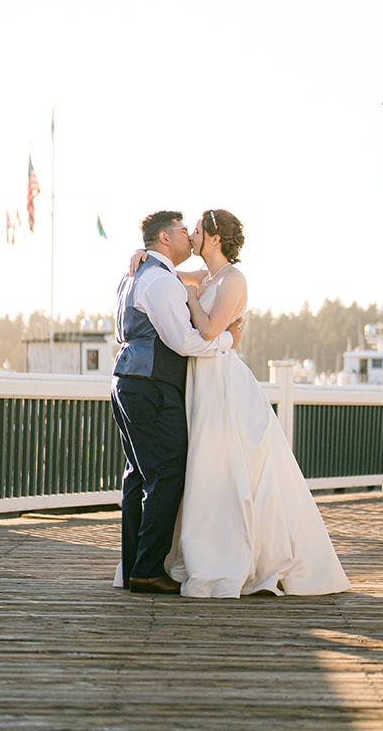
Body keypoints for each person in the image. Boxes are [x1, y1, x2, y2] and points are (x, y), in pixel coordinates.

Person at [134, 208, 350, 599]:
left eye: (197, 230)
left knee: (225, 464)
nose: (191, 236)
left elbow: (210, 329)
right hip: (199, 378)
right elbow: (159, 271)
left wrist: (192, 300)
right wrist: (140, 255)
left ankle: (235, 554)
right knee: (202, 466)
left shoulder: (233, 280)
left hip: (222, 381)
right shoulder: (205, 276)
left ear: (215, 238)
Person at [110, 209, 243, 595]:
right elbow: (183, 341)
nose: (190, 236)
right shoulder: (160, 280)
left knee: (138, 475)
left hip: (128, 380)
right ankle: (148, 568)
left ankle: (137, 565)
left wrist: (142, 252)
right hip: (151, 383)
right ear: (166, 239)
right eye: (185, 231)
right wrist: (228, 341)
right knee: (166, 472)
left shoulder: (138, 273)